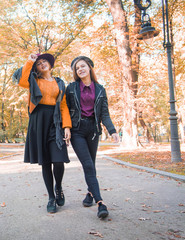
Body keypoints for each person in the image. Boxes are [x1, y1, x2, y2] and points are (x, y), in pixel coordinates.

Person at [12, 53, 72, 213]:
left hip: (55, 121)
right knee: (45, 161)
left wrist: (66, 126)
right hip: (38, 121)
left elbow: (64, 105)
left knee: (58, 160)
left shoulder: (60, 83)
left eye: (45, 61)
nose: (42, 64)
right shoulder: (34, 81)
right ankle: (51, 197)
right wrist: (30, 59)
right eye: (39, 63)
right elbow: (22, 80)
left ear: (50, 65)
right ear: (36, 69)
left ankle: (58, 186)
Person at [66, 56, 119, 219]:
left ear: (89, 68)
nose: (80, 69)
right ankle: (100, 203)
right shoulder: (71, 88)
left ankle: (89, 194)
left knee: (92, 165)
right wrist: (66, 128)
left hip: (93, 131)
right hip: (77, 131)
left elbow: (104, 114)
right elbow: (65, 109)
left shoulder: (101, 89)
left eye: (83, 66)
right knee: (88, 165)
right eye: (77, 68)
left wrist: (112, 130)